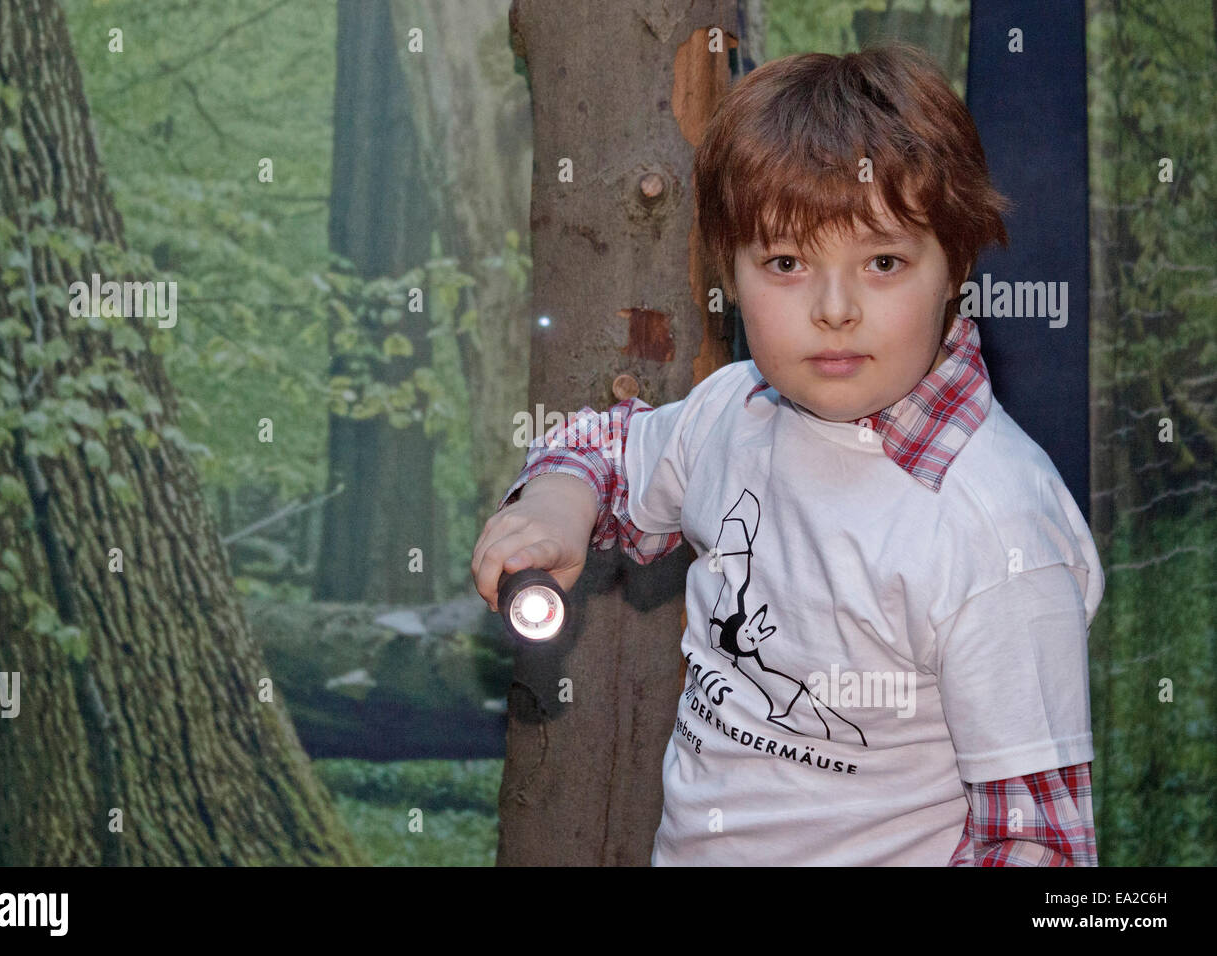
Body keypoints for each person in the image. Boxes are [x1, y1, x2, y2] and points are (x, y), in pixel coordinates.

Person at [471, 41, 1101, 866]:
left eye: (882, 262)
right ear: (726, 274)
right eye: (786, 263)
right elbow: (611, 448)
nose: (834, 309)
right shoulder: (736, 412)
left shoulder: (995, 531)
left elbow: (1039, 843)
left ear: (956, 266)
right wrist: (557, 504)